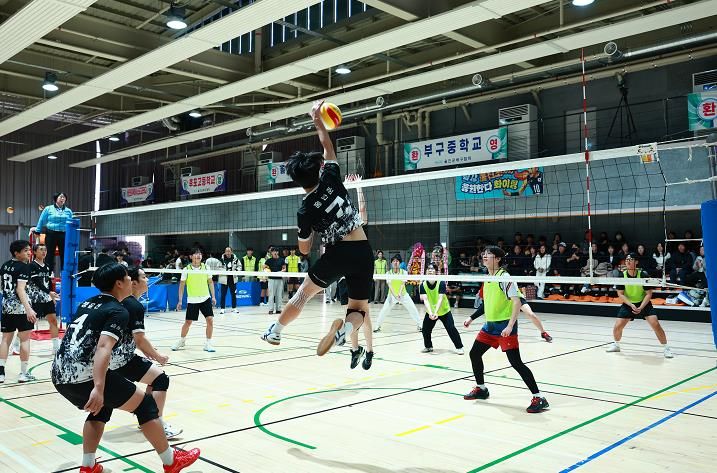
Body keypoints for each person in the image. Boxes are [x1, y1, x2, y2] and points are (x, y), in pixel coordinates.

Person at [52, 263, 199, 473]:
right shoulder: (118, 311)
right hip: (83, 376)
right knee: (146, 405)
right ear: (119, 283)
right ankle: (171, 461)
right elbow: (104, 347)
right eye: (128, 277)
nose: (131, 280)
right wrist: (99, 387)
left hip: (59, 374)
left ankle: (88, 466)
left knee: (101, 409)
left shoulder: (87, 303)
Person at [261, 99, 374, 361]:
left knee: (303, 294)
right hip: (363, 250)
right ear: (318, 168)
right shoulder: (331, 177)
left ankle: (276, 332)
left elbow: (304, 250)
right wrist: (317, 120)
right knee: (359, 309)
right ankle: (344, 331)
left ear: (296, 180)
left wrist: (308, 233)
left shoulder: (305, 210)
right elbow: (328, 146)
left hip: (338, 253)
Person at [463, 246, 549, 413]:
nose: (484, 256)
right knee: (474, 354)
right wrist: (471, 318)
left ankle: (539, 397)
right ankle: (481, 389)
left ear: (498, 259)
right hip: (489, 327)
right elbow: (486, 304)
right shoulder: (488, 278)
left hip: (505, 327)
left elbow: (516, 302)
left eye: (488, 254)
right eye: (484, 254)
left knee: (516, 363)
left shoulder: (505, 277)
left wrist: (510, 326)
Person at [117, 267, 182, 439]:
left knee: (155, 378)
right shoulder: (134, 305)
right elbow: (139, 340)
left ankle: (147, 418)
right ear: (134, 283)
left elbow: (133, 338)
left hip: (114, 357)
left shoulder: (124, 302)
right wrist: (158, 356)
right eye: (144, 277)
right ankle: (156, 424)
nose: (148, 279)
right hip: (121, 360)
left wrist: (149, 351)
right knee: (161, 379)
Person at [606, 253, 673, 358]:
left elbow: (649, 294)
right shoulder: (622, 275)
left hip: (644, 303)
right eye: (627, 259)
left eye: (631, 259)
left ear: (636, 262)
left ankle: (666, 348)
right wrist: (630, 304)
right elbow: (620, 294)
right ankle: (616, 345)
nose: (628, 261)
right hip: (629, 304)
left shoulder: (643, 274)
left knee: (655, 324)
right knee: (617, 326)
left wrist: (641, 307)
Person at [0, 240, 38, 383]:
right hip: (21, 309)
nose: (29, 253)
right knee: (25, 340)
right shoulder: (24, 267)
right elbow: (20, 289)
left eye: (29, 250)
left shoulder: (5, 265)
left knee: (5, 340)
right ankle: (23, 373)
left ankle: (1, 373)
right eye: (25, 250)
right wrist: (29, 309)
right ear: (16, 253)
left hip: (7, 307)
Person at [172, 248, 217, 352]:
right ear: (191, 256)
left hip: (205, 298)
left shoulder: (206, 267)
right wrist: (180, 300)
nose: (198, 255)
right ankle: (182, 340)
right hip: (192, 300)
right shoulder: (186, 269)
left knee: (210, 320)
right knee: (188, 322)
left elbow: (210, 282)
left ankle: (208, 343)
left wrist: (213, 296)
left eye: (200, 254)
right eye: (196, 254)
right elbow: (182, 286)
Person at [419, 263, 464, 354]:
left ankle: (459, 347)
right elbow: (425, 300)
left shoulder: (441, 283)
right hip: (431, 311)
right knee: (425, 329)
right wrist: (431, 313)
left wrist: (436, 312)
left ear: (436, 272)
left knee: (451, 328)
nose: (430, 270)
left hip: (444, 311)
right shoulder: (422, 285)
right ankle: (428, 346)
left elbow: (440, 299)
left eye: (432, 269)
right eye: (428, 269)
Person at [374, 254, 422, 333]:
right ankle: (377, 326)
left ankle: (420, 325)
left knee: (412, 308)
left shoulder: (404, 272)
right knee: (384, 310)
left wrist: (399, 294)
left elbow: (402, 284)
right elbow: (390, 285)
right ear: (391, 263)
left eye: (397, 261)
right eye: (393, 261)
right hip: (391, 296)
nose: (395, 263)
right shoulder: (388, 273)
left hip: (403, 295)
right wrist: (395, 295)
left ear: (400, 263)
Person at [27, 243, 61, 353]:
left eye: (45, 250)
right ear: (34, 252)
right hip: (35, 298)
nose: (44, 252)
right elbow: (37, 283)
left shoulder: (47, 266)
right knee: (29, 324)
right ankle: (17, 344)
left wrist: (52, 296)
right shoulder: (31, 266)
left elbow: (49, 282)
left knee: (53, 321)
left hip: (47, 298)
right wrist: (49, 292)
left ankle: (56, 347)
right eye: (41, 249)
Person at [30, 193, 73, 274]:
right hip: (51, 233)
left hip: (63, 234)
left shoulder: (68, 211)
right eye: (61, 197)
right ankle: (49, 273)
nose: (62, 199)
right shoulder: (48, 208)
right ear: (56, 198)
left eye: (64, 197)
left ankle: (64, 273)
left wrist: (71, 235)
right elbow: (41, 220)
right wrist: (38, 230)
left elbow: (71, 223)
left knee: (64, 254)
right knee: (49, 254)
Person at [264, 248, 286, 315]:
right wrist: (267, 271)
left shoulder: (281, 260)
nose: (275, 252)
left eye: (276, 251)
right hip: (271, 279)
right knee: (271, 295)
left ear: (278, 252)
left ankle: (278, 309)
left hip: (279, 279)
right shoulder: (269, 260)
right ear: (271, 253)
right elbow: (264, 267)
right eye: (273, 251)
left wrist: (281, 271)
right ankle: (271, 309)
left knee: (279, 295)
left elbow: (284, 268)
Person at [218, 247, 240, 314]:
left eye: (229, 251)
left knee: (233, 294)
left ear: (231, 252)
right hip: (224, 279)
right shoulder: (221, 260)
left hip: (233, 279)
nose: (227, 252)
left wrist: (235, 271)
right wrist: (225, 271)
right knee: (223, 294)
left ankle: (234, 308)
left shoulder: (236, 259)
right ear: (225, 252)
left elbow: (239, 266)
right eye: (226, 251)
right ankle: (222, 308)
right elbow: (218, 268)